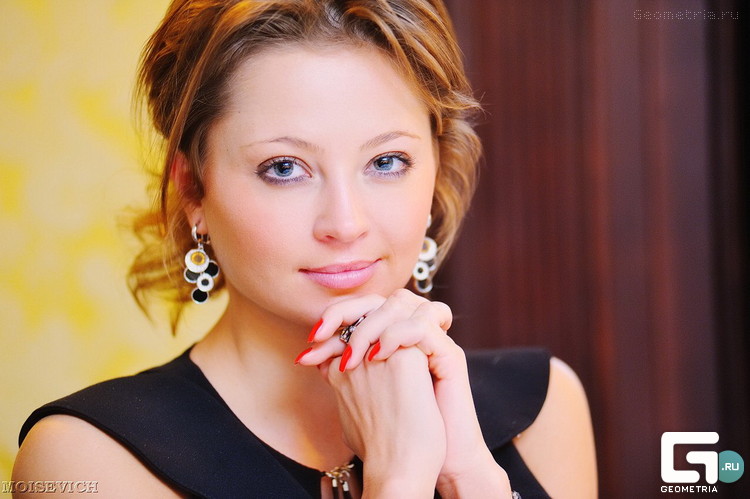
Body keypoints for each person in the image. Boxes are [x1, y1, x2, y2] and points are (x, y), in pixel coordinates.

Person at [13, 0, 596, 497]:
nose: (345, 223)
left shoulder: (543, 410)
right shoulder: (85, 460)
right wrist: (398, 478)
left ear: (437, 168)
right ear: (193, 189)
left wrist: (470, 478)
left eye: (387, 161)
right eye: (285, 167)